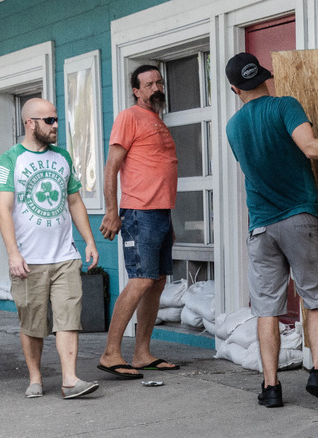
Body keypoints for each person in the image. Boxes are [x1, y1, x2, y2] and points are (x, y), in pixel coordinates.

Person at [224, 52, 318, 408]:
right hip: (299, 218)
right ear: (264, 76)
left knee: (267, 309)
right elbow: (309, 147)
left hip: (260, 226)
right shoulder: (284, 106)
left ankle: (271, 387)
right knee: (317, 298)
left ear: (235, 89)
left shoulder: (233, 127)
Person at [0, 98, 100, 399]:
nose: (55, 126)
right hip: (29, 259)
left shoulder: (62, 157)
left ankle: (70, 380)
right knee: (32, 323)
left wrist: (89, 240)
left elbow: (75, 201)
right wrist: (13, 253)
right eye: (49, 121)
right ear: (30, 123)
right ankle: (35, 377)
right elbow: (4, 209)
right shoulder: (9, 160)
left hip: (65, 256)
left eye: (56, 120)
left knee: (68, 318)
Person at [97, 65, 179, 379]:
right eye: (149, 83)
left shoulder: (156, 120)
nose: (156, 87)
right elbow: (111, 167)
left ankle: (142, 353)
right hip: (139, 213)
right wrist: (111, 212)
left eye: (159, 81)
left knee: (156, 281)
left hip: (160, 212)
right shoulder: (129, 117)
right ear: (136, 90)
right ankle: (110, 353)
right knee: (141, 279)